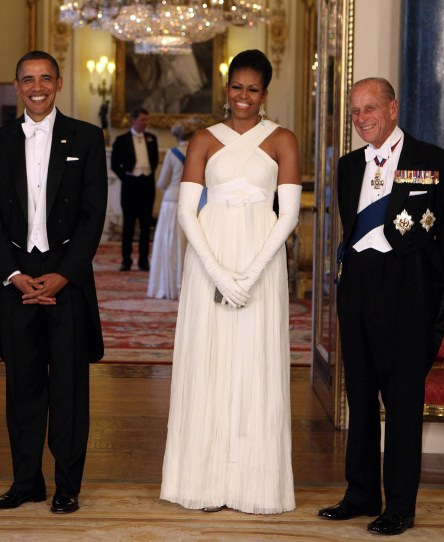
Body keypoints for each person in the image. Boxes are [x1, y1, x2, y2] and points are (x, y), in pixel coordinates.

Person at [317, 78, 444, 536]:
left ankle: (399, 506)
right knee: (359, 397)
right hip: (358, 287)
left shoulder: (435, 162)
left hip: (407, 288)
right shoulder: (347, 166)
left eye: (370, 108)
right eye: (355, 112)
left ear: (393, 107)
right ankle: (360, 494)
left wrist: (424, 284)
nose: (362, 118)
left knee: (401, 403)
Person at [160, 49, 302, 514]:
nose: (244, 96)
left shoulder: (282, 139)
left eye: (253, 89)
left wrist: (251, 274)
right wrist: (220, 274)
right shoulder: (204, 139)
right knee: (210, 359)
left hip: (261, 263)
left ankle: (253, 484)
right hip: (210, 258)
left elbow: (288, 215)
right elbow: (185, 212)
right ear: (227, 89)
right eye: (237, 87)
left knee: (254, 361)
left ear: (265, 92)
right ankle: (201, 479)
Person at [0, 51, 107, 515]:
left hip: (67, 280)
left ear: (58, 83)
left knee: (70, 389)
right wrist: (14, 275)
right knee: (22, 388)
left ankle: (67, 486)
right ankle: (26, 482)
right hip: (16, 280)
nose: (37, 87)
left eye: (45, 79)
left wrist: (63, 275)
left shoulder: (88, 139)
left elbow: (95, 215)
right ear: (16, 86)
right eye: (28, 79)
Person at [146, 118, 202, 300]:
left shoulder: (172, 153)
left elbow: (162, 181)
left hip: (172, 200)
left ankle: (169, 285)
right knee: (190, 243)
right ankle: (189, 284)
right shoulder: (199, 152)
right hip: (193, 199)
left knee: (170, 243)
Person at [111, 107, 159, 271]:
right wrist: (127, 177)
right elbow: (114, 165)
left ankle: (143, 261)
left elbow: (155, 160)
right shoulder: (122, 140)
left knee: (145, 225)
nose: (146, 123)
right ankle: (126, 260)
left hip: (147, 185)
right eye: (143, 120)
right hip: (130, 186)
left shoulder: (152, 138)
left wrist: (147, 173)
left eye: (147, 120)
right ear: (133, 120)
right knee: (129, 225)